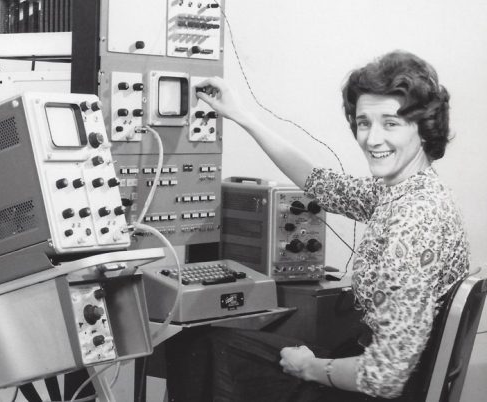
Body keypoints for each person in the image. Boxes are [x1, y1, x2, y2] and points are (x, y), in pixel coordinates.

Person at [165, 50, 469, 401]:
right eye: (364, 122)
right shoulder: (409, 192)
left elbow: (383, 377)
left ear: (424, 128)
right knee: (211, 345)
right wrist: (241, 116)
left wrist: (310, 367)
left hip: (377, 390)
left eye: (391, 123)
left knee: (200, 349)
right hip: (372, 367)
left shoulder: (413, 223)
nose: (372, 139)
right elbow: (320, 183)